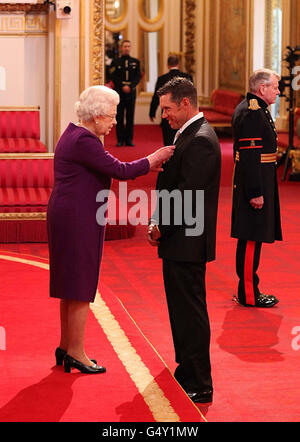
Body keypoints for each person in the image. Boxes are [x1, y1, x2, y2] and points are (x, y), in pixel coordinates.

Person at [47, 85, 174, 374]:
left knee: (70, 283)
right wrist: (154, 159)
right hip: (78, 217)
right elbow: (121, 170)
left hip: (68, 213)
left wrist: (145, 165)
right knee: (80, 284)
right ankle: (77, 353)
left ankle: (66, 346)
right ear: (95, 116)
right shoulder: (85, 141)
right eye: (111, 116)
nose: (115, 122)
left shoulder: (74, 133)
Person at [147, 77, 221, 403]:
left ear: (185, 104)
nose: (165, 115)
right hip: (180, 240)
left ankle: (200, 381)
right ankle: (186, 367)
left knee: (190, 311)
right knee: (180, 309)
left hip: (188, 241)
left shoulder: (201, 140)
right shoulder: (187, 133)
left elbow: (188, 196)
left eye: (168, 108)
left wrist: (162, 226)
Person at [231, 68, 282, 308]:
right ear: (262, 89)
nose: (278, 91)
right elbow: (250, 157)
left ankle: (248, 289)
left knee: (253, 237)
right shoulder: (253, 113)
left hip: (259, 179)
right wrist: (255, 192)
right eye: (275, 87)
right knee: (252, 238)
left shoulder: (256, 109)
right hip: (255, 183)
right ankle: (249, 294)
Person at [149, 54, 193, 145]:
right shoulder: (187, 77)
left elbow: (156, 97)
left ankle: (169, 158)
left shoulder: (162, 79)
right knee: (183, 139)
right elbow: (191, 97)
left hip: (168, 113)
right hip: (183, 113)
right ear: (179, 64)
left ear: (167, 65)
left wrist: (152, 111)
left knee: (168, 140)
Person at [109, 40, 141, 146]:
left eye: (128, 46)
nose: (126, 48)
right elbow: (113, 76)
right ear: (121, 48)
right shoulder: (116, 62)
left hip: (131, 92)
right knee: (119, 116)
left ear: (130, 48)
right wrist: (122, 86)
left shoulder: (136, 62)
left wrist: (130, 86)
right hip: (119, 92)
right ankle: (120, 140)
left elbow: (138, 77)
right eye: (125, 46)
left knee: (130, 116)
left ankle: (129, 139)